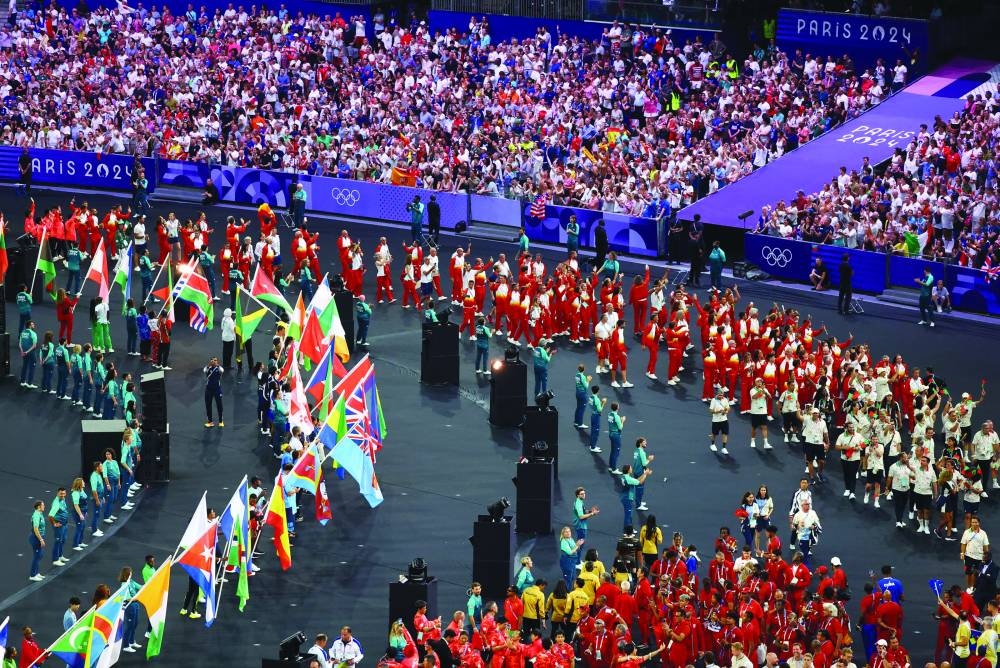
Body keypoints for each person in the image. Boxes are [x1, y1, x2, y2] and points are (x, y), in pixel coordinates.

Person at [618, 464, 652, 533]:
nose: (631, 469)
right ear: (628, 470)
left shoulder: (625, 476)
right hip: (627, 499)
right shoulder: (628, 479)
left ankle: (630, 528)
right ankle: (626, 531)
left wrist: (644, 474)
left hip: (624, 497)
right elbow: (640, 482)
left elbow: (636, 480)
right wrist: (646, 474)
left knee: (629, 515)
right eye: (630, 468)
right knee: (628, 515)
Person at [961, 517, 990, 592]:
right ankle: (969, 587)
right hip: (968, 556)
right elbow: (963, 543)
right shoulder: (966, 532)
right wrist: (962, 553)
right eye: (973, 522)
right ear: (971, 523)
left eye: (976, 522)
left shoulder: (983, 533)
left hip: (979, 557)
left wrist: (986, 557)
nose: (974, 524)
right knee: (968, 573)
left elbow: (985, 546)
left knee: (976, 573)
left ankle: (973, 587)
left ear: (979, 523)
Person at [791, 499, 821, 565]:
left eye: (808, 504)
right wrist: (797, 526)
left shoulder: (813, 513)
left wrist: (814, 526)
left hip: (811, 536)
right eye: (806, 504)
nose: (808, 505)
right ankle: (808, 569)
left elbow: (817, 522)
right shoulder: (798, 515)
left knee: (807, 550)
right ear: (802, 506)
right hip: (802, 537)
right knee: (805, 554)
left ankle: (800, 563)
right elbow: (794, 525)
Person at [48, 487, 70, 568]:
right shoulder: (56, 503)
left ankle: (60, 556)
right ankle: (55, 559)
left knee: (63, 540)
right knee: (58, 541)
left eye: (64, 493)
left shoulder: (63, 499)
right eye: (61, 493)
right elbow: (50, 515)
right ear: (57, 493)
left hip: (64, 524)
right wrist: (54, 524)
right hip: (59, 525)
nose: (63, 495)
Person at [749, 378, 773, 450]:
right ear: (755, 383)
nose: (759, 383)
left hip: (763, 411)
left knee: (764, 427)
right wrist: (761, 390)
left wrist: (765, 391)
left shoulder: (765, 389)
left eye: (761, 382)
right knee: (754, 427)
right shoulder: (752, 390)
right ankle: (752, 441)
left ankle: (766, 443)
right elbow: (754, 397)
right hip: (755, 412)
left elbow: (770, 397)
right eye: (758, 382)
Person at [709, 384, 731, 454]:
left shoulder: (725, 400)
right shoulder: (713, 400)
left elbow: (728, 408)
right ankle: (712, 444)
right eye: (719, 395)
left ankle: (724, 448)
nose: (721, 397)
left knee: (725, 433)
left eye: (722, 395)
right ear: (717, 394)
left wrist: (726, 411)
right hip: (716, 420)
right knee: (714, 434)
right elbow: (710, 410)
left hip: (724, 420)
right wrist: (717, 411)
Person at [204, 356, 224, 428]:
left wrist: (216, 365)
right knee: (208, 405)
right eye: (212, 360)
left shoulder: (219, 368)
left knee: (219, 405)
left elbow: (222, 370)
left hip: (217, 389)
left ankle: (221, 421)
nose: (214, 361)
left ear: (217, 361)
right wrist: (209, 365)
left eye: (215, 360)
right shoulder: (207, 368)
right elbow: (204, 370)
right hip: (208, 389)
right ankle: (210, 422)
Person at [28, 500, 46, 581]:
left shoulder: (40, 514)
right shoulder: (36, 515)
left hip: (39, 537)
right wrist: (41, 539)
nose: (44, 506)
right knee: (37, 556)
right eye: (43, 505)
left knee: (39, 556)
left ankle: (36, 572)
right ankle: (32, 575)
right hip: (36, 538)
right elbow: (35, 529)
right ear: (39, 507)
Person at [607, 402, 626, 473]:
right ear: (617, 408)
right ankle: (614, 469)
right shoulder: (616, 416)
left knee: (612, 451)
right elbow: (620, 427)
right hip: (616, 435)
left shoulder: (609, 414)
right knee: (616, 452)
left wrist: (619, 420)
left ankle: (611, 467)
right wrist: (622, 421)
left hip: (611, 433)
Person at [19, 320, 38, 389]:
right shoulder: (33, 333)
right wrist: (27, 352)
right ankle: (30, 383)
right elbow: (34, 345)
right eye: (32, 324)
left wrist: (22, 351)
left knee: (24, 366)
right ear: (30, 325)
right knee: (32, 367)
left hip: (23, 352)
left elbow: (20, 343)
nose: (34, 325)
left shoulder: (22, 332)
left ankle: (22, 382)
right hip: (31, 353)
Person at [588, 386, 606, 453]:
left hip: (593, 414)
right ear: (598, 391)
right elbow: (600, 410)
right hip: (596, 416)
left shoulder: (591, 397)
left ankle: (592, 445)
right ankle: (593, 447)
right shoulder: (597, 399)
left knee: (593, 431)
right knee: (595, 432)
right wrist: (603, 402)